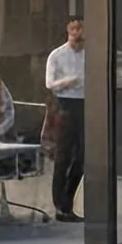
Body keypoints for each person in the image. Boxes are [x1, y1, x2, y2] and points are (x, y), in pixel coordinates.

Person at [45, 16, 85, 222]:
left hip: (85, 104)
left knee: (82, 157)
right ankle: (60, 205)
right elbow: (50, 83)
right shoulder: (57, 55)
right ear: (68, 31)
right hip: (65, 104)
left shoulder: (90, 54)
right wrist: (69, 82)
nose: (77, 32)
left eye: (80, 28)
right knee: (63, 156)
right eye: (73, 29)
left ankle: (67, 202)